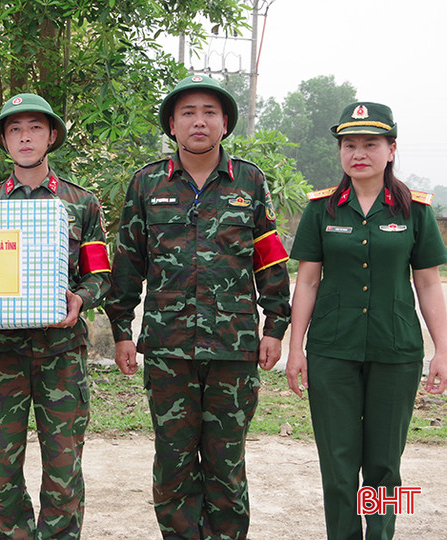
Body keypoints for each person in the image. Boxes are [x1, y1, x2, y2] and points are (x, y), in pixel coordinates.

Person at [104, 74, 291, 539]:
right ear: (172, 124)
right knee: (173, 464)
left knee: (227, 465)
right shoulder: (146, 183)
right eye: (187, 113)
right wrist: (122, 331)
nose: (199, 121)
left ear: (225, 122)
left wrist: (275, 327)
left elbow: (268, 258)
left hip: (234, 348)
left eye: (209, 112)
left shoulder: (250, 180)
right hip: (169, 350)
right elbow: (127, 262)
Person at [286, 102, 447, 539]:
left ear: (391, 149)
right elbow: (307, 282)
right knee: (337, 462)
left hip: (395, 352)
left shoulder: (414, 210)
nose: (359, 153)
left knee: (384, 464)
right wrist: (295, 348)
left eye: (370, 144)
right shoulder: (322, 210)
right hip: (331, 351)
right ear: (340, 151)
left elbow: (429, 285)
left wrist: (443, 352)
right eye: (349, 145)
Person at [0, 93, 111, 539]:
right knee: (1, 468)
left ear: (51, 135)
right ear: (4, 141)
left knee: (64, 465)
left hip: (61, 355)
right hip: (1, 355)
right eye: (15, 129)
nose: (25, 137)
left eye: (35, 127)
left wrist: (81, 299)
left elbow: (100, 273)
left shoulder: (82, 204)